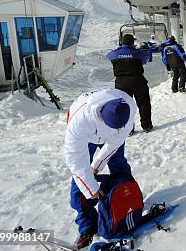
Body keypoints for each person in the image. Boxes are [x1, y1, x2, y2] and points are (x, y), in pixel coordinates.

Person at [65, 88, 136, 249]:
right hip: (88, 136)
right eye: (114, 127)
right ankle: (87, 226)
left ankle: (127, 200)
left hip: (110, 133)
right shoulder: (79, 123)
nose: (118, 130)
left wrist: (97, 165)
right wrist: (91, 188)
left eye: (120, 128)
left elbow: (114, 143)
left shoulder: (128, 108)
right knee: (81, 181)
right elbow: (76, 162)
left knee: (118, 165)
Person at [106, 34, 153, 133]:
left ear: (122, 42)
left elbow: (108, 56)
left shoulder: (115, 53)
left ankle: (128, 129)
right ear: (132, 43)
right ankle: (146, 126)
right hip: (138, 80)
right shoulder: (137, 53)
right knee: (143, 103)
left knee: (124, 105)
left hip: (121, 82)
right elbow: (145, 60)